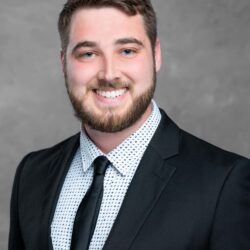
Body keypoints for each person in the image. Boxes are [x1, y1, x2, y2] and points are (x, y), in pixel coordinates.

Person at [9, 0, 250, 249]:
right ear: (63, 63)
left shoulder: (224, 183)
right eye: (88, 54)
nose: (109, 74)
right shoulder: (32, 174)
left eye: (127, 51)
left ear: (156, 56)